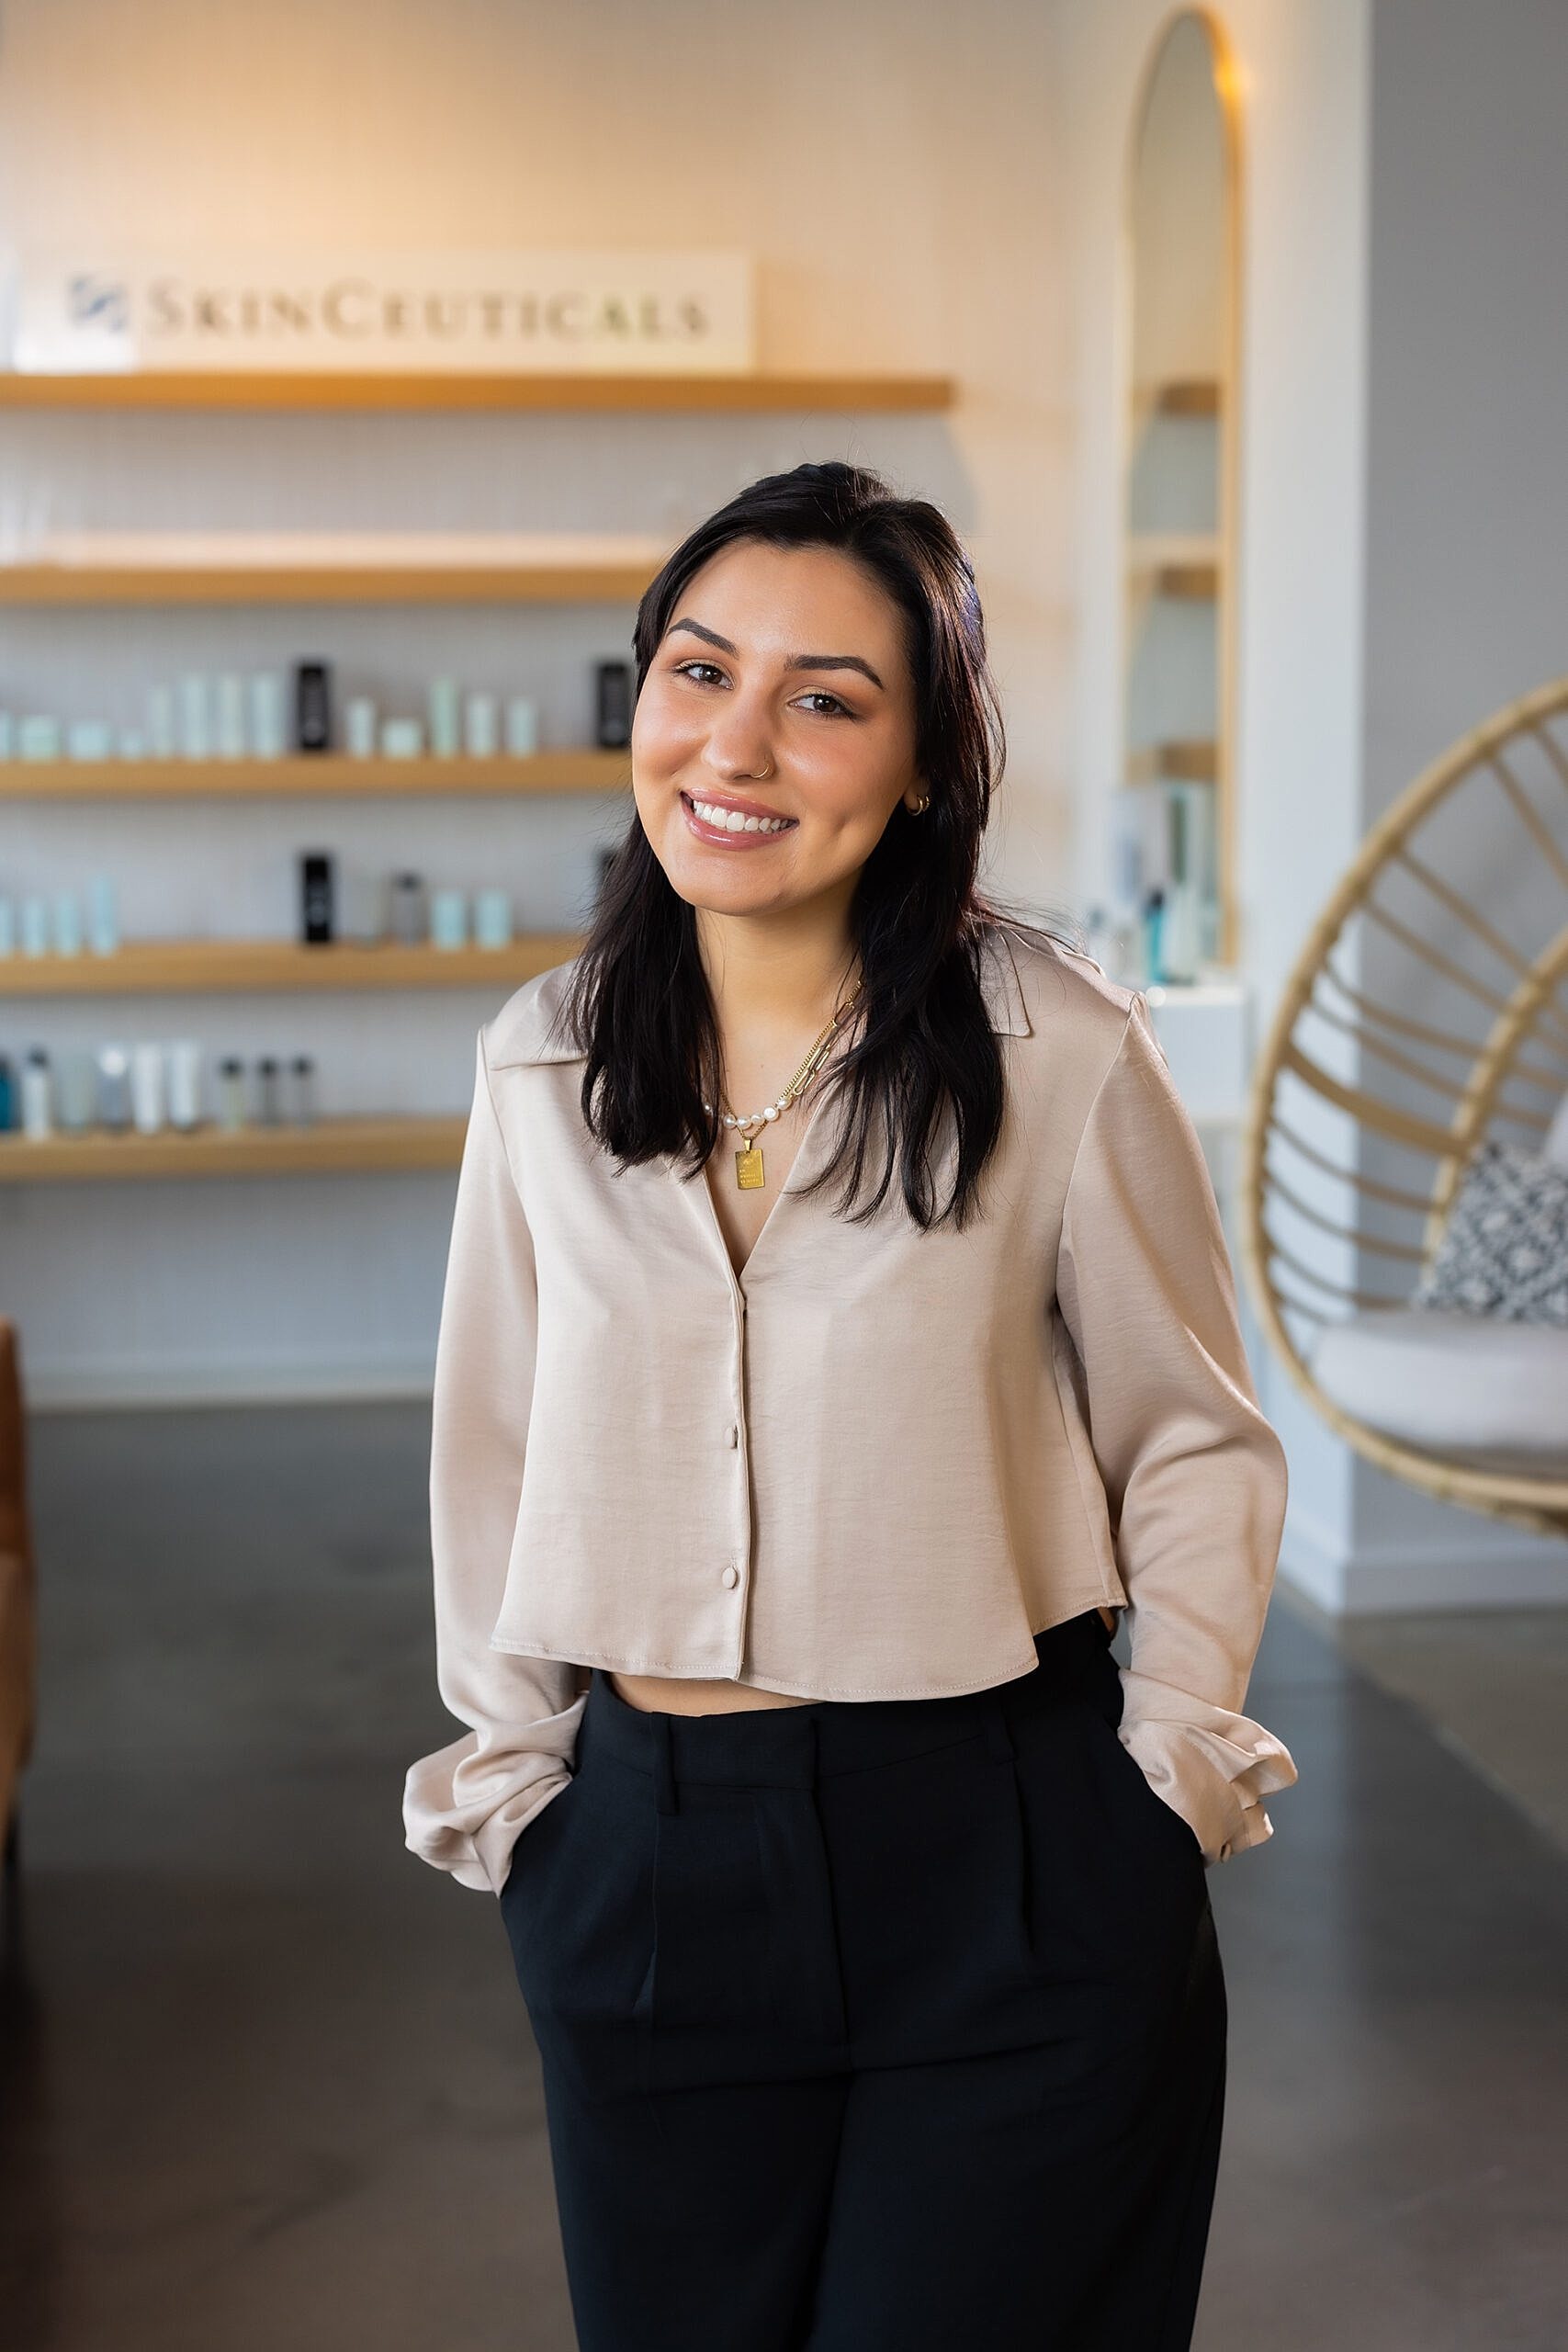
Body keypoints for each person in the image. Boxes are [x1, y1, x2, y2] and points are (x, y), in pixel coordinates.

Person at [403, 459, 1298, 2351]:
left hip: (1008, 1855)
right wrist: (520, 1805)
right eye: (696, 672)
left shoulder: (1051, 1040)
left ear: (919, 766)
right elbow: (488, 1448)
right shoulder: (542, 1058)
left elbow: (1190, 1430)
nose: (735, 743)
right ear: (637, 698)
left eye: (823, 697)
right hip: (646, 1869)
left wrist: (1160, 1779)